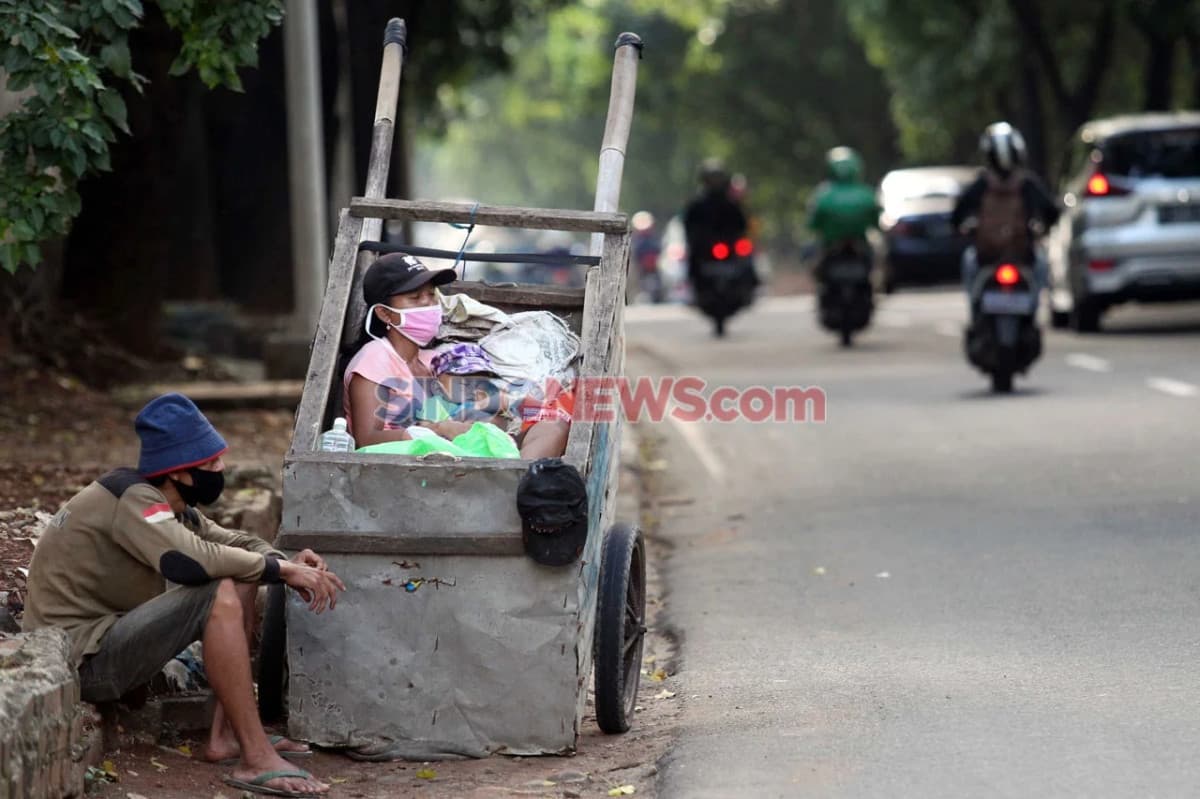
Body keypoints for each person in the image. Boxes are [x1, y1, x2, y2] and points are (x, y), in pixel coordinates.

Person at [22, 393, 344, 797]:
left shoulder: (170, 505)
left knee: (238, 572)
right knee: (218, 588)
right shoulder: (133, 499)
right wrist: (283, 571)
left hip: (107, 641)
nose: (221, 469)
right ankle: (256, 757)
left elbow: (235, 543)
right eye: (209, 464)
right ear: (177, 472)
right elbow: (187, 562)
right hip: (83, 661)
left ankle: (225, 736)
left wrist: (283, 561)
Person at [343, 253, 571, 457]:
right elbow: (366, 439)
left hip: (458, 451)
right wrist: (436, 431)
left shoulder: (433, 360)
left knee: (553, 426)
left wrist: (509, 402)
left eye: (431, 295)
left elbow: (488, 402)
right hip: (409, 461)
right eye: (415, 297)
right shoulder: (374, 358)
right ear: (385, 314)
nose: (428, 304)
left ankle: (519, 482)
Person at [951, 121, 1060, 306]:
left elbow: (957, 215)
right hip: (1023, 255)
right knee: (1041, 262)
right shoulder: (1027, 184)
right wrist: (1042, 229)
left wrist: (964, 229)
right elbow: (1052, 212)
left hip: (986, 256)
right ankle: (1034, 305)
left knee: (968, 260)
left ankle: (975, 307)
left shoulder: (981, 184)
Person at [426, 342, 573, 460]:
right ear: (438, 385)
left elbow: (545, 413)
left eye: (480, 382)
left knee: (554, 427)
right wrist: (443, 426)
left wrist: (507, 403)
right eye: (463, 383)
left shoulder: (496, 403)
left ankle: (522, 479)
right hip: (460, 457)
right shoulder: (434, 408)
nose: (473, 389)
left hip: (508, 453)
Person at [683, 158, 752, 290]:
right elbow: (689, 226)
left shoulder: (731, 204)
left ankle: (751, 283)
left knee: (747, 252)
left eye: (717, 178)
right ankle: (691, 286)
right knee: (693, 255)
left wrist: (738, 238)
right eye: (712, 179)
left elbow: (742, 224)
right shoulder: (697, 205)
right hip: (705, 247)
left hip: (730, 245)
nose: (715, 182)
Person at [806, 146, 881, 264]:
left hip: (833, 246)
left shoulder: (823, 194)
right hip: (857, 245)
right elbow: (876, 221)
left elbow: (813, 223)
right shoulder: (867, 194)